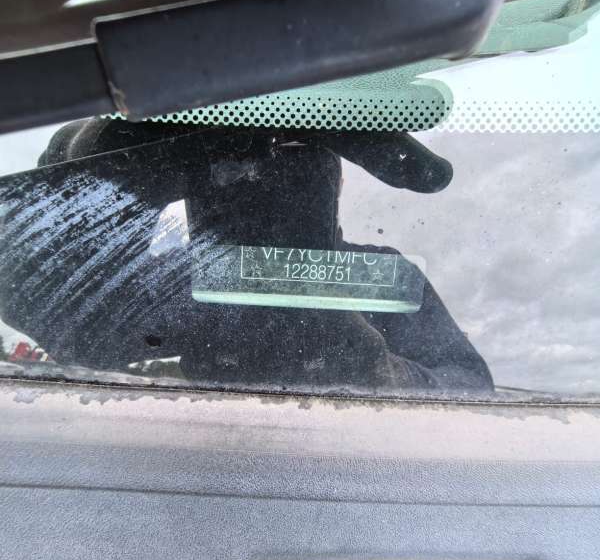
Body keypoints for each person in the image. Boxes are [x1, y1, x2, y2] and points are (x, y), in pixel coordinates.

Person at [0, 116, 492, 395]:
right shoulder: (181, 280)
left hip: (360, 470)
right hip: (185, 469)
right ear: (191, 180)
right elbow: (57, 316)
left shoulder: (383, 277)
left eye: (295, 151)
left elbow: (471, 388)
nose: (263, 173)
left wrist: (380, 372)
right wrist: (113, 174)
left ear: (336, 177)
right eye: (235, 161)